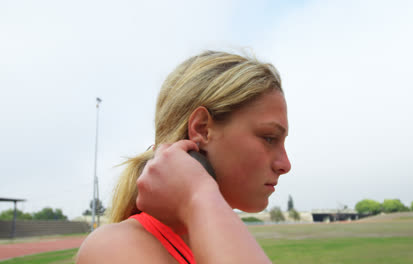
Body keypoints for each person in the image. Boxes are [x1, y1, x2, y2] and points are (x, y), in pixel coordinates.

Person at [76, 51, 291, 263]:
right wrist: (199, 195)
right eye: (269, 138)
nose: (285, 164)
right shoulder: (114, 249)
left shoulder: (220, 239)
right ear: (202, 129)